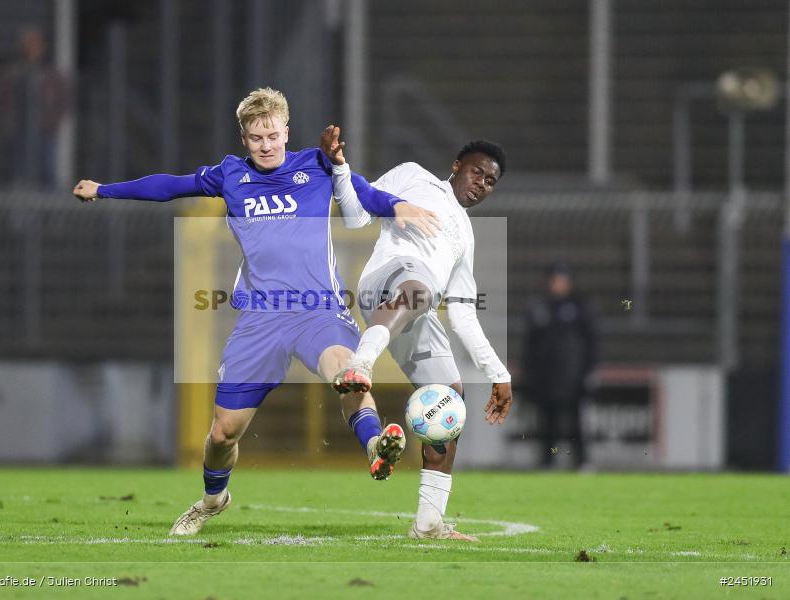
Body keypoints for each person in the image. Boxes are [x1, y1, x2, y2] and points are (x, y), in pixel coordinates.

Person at [73, 88, 439, 536]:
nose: (266, 145)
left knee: (348, 372)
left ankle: (374, 447)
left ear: (286, 132)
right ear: (244, 139)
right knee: (222, 434)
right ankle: (213, 498)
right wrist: (104, 190)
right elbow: (170, 186)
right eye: (256, 138)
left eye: (272, 135)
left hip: (318, 310)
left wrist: (397, 205)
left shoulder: (317, 164)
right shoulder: (231, 175)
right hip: (261, 320)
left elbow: (362, 192)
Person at [330, 138, 513, 541]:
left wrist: (499, 373)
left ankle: (428, 523)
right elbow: (356, 215)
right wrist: (340, 167)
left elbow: (463, 315)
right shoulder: (414, 176)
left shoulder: (465, 237)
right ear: (456, 165)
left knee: (450, 401)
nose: (481, 184)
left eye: (490, 181)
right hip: (386, 281)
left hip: (416, 307)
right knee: (419, 289)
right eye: (477, 172)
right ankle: (359, 365)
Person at [524, 262, 597, 469]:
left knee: (575, 420)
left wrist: (588, 370)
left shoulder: (580, 306)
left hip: (573, 375)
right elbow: (530, 344)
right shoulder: (540, 307)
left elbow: (591, 341)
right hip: (546, 376)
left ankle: (581, 461)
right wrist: (529, 372)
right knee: (547, 421)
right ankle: (547, 461)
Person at [0, 27, 69, 188]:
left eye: (34, 44)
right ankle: (21, 203)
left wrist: (53, 121)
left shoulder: (50, 74)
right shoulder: (14, 73)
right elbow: (5, 98)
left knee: (48, 170)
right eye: (27, 45)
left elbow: (63, 99)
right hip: (21, 130)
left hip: (45, 130)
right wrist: (9, 121)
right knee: (20, 171)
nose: (31, 49)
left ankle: (50, 203)